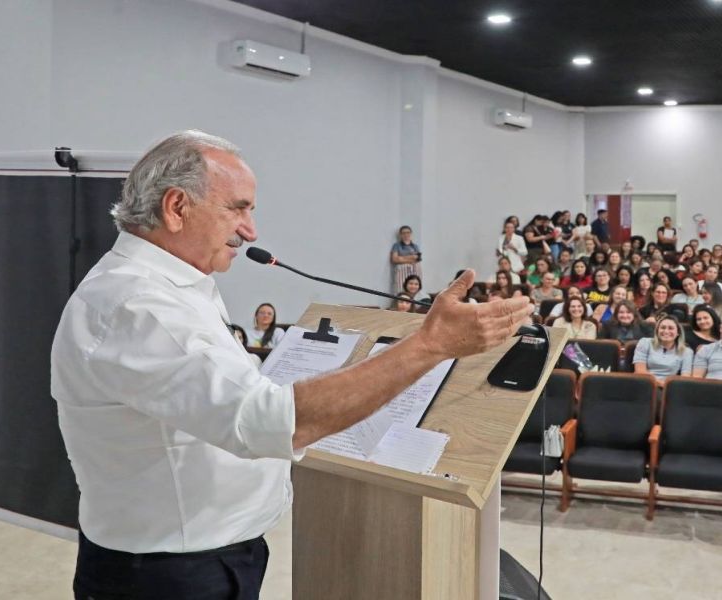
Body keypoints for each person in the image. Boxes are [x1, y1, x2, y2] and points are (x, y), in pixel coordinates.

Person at [52, 130, 532, 599]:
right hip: (168, 573)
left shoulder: (168, 286)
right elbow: (270, 424)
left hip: (198, 556)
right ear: (177, 207)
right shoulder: (141, 307)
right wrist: (430, 346)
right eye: (237, 208)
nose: (250, 230)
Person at [633, 315, 693, 385]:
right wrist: (662, 384)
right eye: (662, 328)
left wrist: (669, 387)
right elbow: (640, 371)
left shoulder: (687, 351)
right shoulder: (645, 342)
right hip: (646, 384)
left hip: (671, 388)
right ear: (657, 330)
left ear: (678, 333)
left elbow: (685, 378)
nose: (666, 331)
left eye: (671, 328)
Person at [390, 225, 423, 293]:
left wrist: (401, 258)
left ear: (411, 234)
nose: (406, 234)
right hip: (402, 271)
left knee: (414, 287)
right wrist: (411, 257)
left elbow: (417, 258)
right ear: (400, 234)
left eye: (408, 232)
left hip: (415, 269)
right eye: (404, 233)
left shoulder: (415, 246)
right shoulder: (397, 245)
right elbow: (395, 259)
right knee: (401, 288)